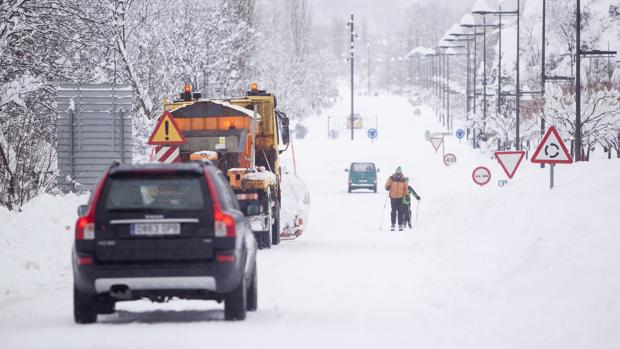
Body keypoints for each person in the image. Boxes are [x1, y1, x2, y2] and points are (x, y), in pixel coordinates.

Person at [384, 166, 408, 231]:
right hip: (393, 197)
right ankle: (393, 224)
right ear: (395, 173)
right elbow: (386, 185)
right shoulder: (391, 178)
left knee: (400, 211)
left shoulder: (403, 179)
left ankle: (400, 224)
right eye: (397, 174)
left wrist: (407, 195)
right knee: (393, 211)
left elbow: (406, 189)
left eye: (399, 174)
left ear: (401, 173)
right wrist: (387, 187)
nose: (398, 175)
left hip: (400, 197)